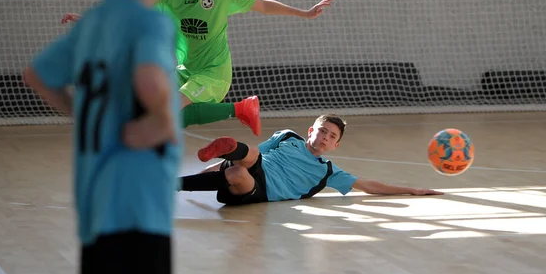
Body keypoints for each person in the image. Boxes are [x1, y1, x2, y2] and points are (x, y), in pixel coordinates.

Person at [23, 0, 181, 274]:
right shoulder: (151, 22)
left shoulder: (90, 24)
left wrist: (80, 110)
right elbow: (149, 79)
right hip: (139, 202)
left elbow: (36, 75)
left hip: (94, 200)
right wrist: (161, 122)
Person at [62, 0, 333, 135]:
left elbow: (262, 4)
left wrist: (305, 13)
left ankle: (239, 110)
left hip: (214, 73)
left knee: (169, 109)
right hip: (183, 70)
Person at [179, 114, 443, 205]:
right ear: (311, 131)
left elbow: (370, 186)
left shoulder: (327, 171)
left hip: (261, 190)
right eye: (322, 131)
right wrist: (210, 169)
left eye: (331, 136)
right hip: (256, 164)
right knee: (245, 159)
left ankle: (178, 182)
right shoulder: (287, 137)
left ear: (336, 145)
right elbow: (254, 153)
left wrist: (412, 190)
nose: (325, 137)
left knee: (237, 175)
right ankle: (225, 150)